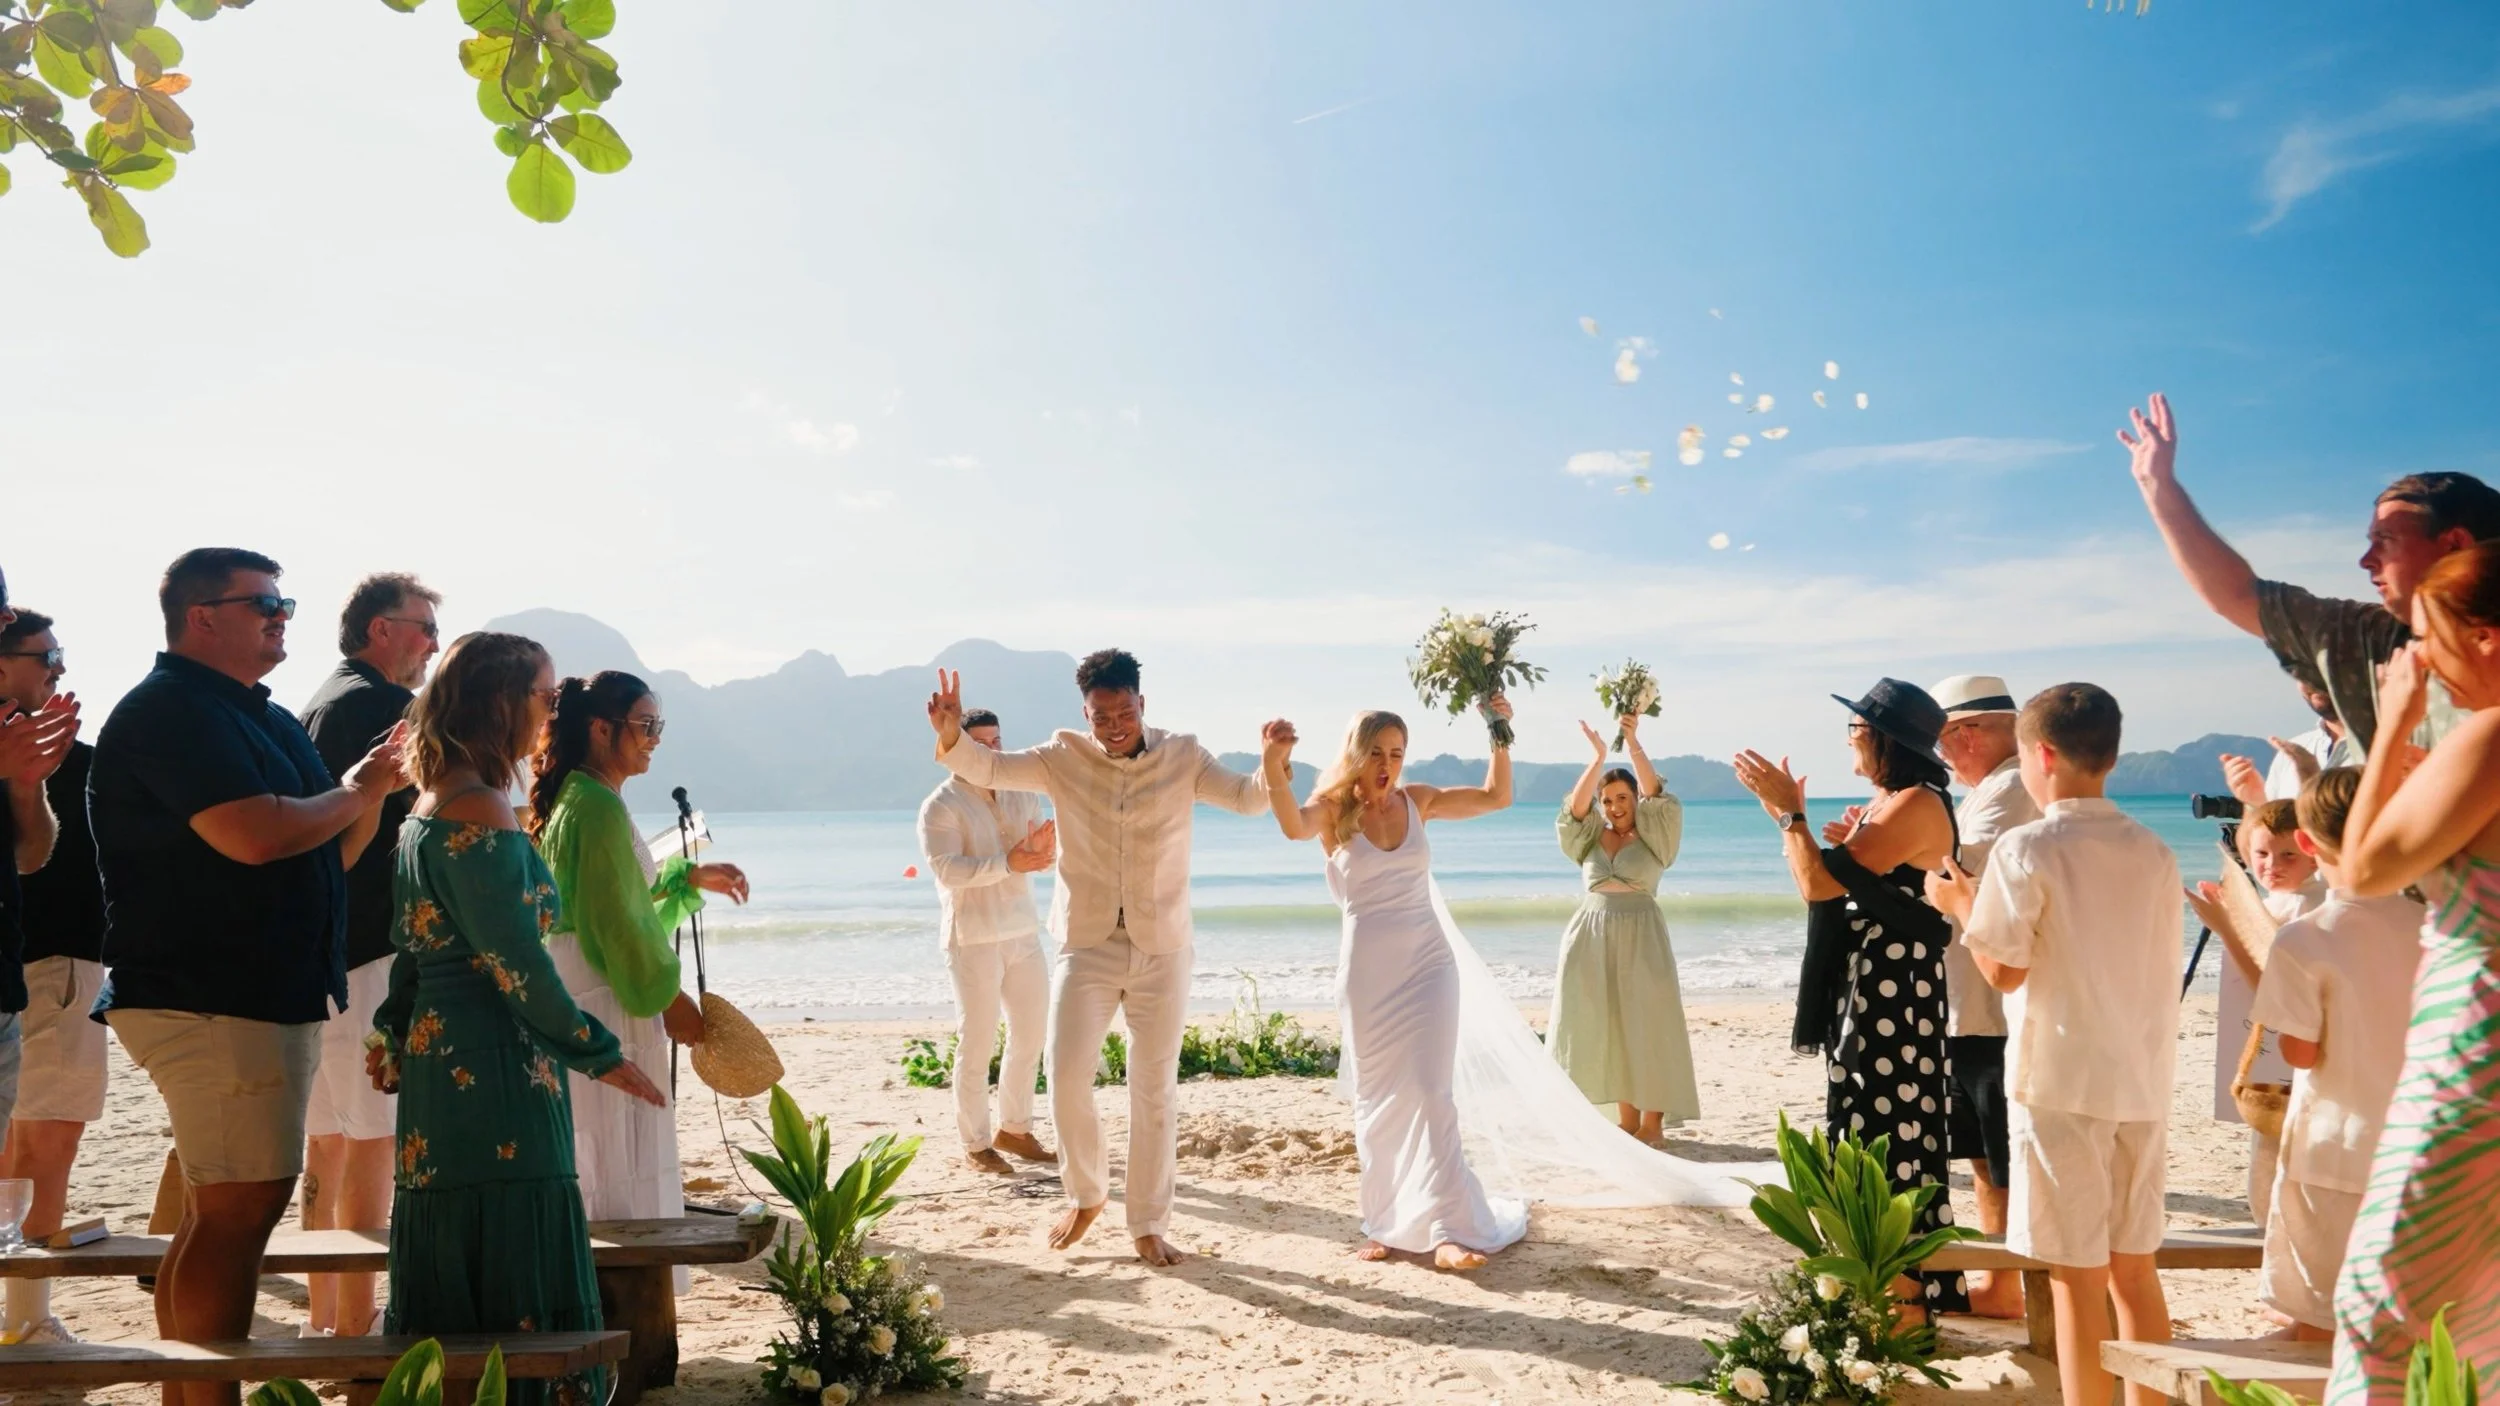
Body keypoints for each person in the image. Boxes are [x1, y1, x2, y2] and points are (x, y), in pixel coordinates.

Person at [88, 548, 401, 1406]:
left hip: (259, 993)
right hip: (211, 994)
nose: (282, 615)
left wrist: (367, 794)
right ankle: (203, 1397)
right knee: (235, 1216)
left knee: (224, 1212)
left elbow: (328, 846)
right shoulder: (171, 711)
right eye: (264, 602)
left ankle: (196, 1395)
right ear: (202, 616)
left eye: (285, 600)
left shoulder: (260, 715)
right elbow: (254, 835)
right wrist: (360, 785)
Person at [368, 631, 666, 1406]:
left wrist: (393, 1028)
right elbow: (516, 963)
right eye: (543, 694)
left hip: (442, 1056)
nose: (552, 708)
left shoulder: (429, 801)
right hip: (494, 1057)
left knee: (455, 1231)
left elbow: (410, 947)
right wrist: (596, 1050)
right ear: (502, 703)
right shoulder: (480, 807)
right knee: (514, 1233)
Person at [923, 649, 1267, 1267]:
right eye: (1100, 714)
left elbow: (1248, 798)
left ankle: (1148, 1222)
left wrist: (1274, 762)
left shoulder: (1183, 755)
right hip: (1087, 946)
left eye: (1124, 711)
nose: (1114, 724)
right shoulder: (1061, 757)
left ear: (1142, 704)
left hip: (1164, 947)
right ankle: (1086, 1194)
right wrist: (950, 733)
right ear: (1085, 713)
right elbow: (990, 766)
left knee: (1154, 1089)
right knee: (1066, 1075)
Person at [1952, 683, 2182, 1406]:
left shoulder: (2027, 847)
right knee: (2135, 1273)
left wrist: (1959, 904)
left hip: (2058, 1082)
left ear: (2040, 755)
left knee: (2077, 1280)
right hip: (2139, 1079)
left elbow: (2003, 968)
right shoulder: (2153, 850)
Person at [1259, 704, 1525, 1270]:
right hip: (1368, 976)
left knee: (1431, 1093)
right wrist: (1273, 764)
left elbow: (1495, 797)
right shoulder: (1332, 812)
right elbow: (1289, 824)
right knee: (1378, 1102)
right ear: (1356, 754)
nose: (1387, 765)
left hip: (1429, 965)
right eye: (1376, 752)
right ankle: (1386, 1222)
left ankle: (1449, 1230)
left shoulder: (1419, 801)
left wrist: (1499, 731)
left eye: (1397, 753)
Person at [2326, 539, 2500, 1397]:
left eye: (2429, 636)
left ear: (2488, 639)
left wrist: (2394, 718)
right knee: (2477, 1310)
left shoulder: (2495, 737)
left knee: (2381, 1306)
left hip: (2474, 1053)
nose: (2420, 657)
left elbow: (2360, 870)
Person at [1734, 678, 1968, 1316]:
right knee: (1871, 1130)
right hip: (1879, 986)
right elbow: (1826, 881)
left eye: (1856, 729)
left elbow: (1818, 885)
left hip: (1893, 993)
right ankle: (1891, 1301)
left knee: (1888, 1139)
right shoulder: (1893, 802)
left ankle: (1904, 1307)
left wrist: (1789, 817)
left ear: (1887, 741)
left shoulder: (1915, 803)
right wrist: (1798, 825)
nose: (1848, 740)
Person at [2119, 391, 2500, 752]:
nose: (2365, 560)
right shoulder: (2372, 640)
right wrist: (2159, 487)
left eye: (2384, 540)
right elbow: (2238, 595)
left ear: (2453, 545)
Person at [529, 671, 747, 1266]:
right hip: (608, 990)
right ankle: (626, 1291)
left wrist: (685, 876)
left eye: (659, 726)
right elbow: (616, 925)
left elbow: (615, 900)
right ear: (602, 728)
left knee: (599, 1144)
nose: (654, 738)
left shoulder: (581, 795)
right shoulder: (595, 805)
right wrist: (671, 1000)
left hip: (585, 982)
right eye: (645, 725)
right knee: (619, 1145)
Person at [296, 572, 441, 1337]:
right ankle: (354, 1322)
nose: (433, 645)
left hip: (323, 950)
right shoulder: (383, 707)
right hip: (373, 950)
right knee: (374, 1140)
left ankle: (326, 1315)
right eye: (422, 628)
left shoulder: (320, 700)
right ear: (380, 628)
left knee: (327, 1140)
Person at [2245, 768, 2423, 1342]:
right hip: (2423, 1145)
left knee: (2321, 1323)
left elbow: (2298, 1053)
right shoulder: (2434, 924)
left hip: (2335, 1147)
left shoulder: (2306, 937)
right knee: (2411, 1325)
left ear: (2306, 842)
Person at [1919, 674, 2040, 1321]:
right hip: (1973, 1002)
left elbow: (1957, 867)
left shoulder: (2012, 786)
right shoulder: (1993, 789)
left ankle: (2017, 1282)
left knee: (2002, 1156)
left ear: (1967, 734)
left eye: (1944, 740)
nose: (1941, 755)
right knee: (1983, 1155)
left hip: (1995, 1005)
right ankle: (2004, 1283)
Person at [0, 609, 101, 1347]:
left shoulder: (51, 758)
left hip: (34, 964)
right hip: (53, 963)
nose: (60, 668)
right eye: (48, 655)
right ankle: (28, 1321)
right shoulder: (64, 757)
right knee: (45, 1144)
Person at [916, 707, 1058, 1175]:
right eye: (982, 745)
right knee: (976, 1043)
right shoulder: (941, 805)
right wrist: (1010, 862)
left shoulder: (1021, 792)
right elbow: (947, 871)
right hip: (972, 938)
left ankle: (1014, 1129)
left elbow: (1039, 854)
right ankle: (976, 1143)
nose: (992, 752)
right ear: (961, 748)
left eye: (997, 742)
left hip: (1023, 931)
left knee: (1031, 1034)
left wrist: (1044, 854)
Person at [1549, 713, 1697, 1143]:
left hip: (1641, 933)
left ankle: (1653, 1124)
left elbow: (1657, 793)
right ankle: (1628, 1120)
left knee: (1648, 1026)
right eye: (1607, 800)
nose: (1615, 807)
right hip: (1589, 936)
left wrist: (1632, 742)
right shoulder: (1590, 836)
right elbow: (1573, 810)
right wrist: (1597, 757)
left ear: (1636, 798)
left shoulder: (1657, 834)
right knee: (1606, 1026)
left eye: (1622, 798)